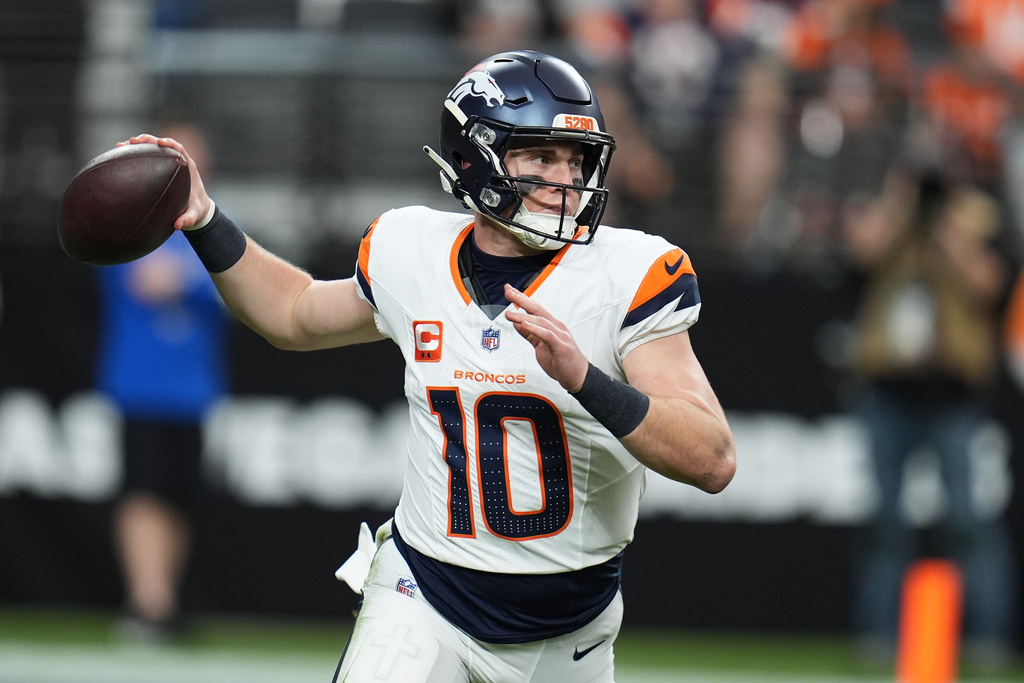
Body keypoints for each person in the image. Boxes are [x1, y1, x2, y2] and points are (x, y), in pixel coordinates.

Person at [123, 50, 736, 681]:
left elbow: (712, 459)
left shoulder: (627, 272)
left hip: (569, 631)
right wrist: (204, 220)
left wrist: (585, 379)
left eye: (576, 160)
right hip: (426, 597)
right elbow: (293, 312)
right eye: (542, 157)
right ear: (478, 158)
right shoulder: (409, 248)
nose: (567, 180)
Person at [842, 165, 1017, 670]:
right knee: (884, 522)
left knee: (967, 519)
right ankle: (877, 636)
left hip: (952, 396)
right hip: (889, 392)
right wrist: (902, 208)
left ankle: (987, 640)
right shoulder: (893, 225)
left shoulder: (972, 225)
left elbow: (989, 282)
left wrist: (946, 224)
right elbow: (864, 253)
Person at [95, 124, 229, 640]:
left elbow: (232, 293)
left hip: (192, 389)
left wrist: (189, 280)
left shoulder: (209, 227)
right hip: (142, 384)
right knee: (145, 492)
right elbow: (142, 279)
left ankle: (162, 602)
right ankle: (147, 603)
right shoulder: (130, 220)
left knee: (177, 497)